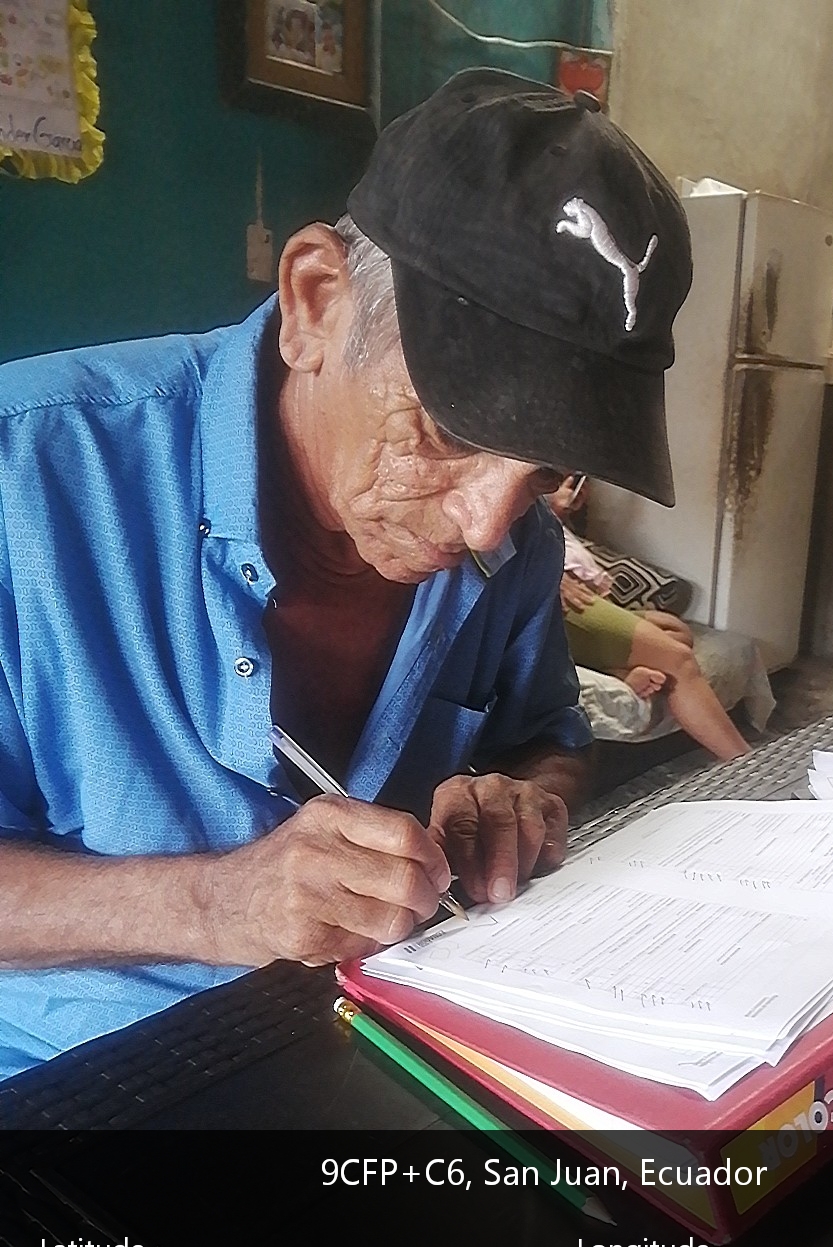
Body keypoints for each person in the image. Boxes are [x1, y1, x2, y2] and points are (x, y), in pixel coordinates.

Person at [0, 70, 694, 1079]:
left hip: (381, 1039)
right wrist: (217, 904)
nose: (485, 522)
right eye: (448, 430)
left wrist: (520, 799)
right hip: (84, 1080)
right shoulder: (27, 480)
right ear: (314, 302)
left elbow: (549, 736)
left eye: (546, 471)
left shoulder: (518, 541)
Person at [548, 477, 751, 761]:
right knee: (677, 659)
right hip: (550, 595)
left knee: (676, 631)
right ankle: (747, 763)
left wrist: (555, 507)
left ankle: (616, 672)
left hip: (570, 587)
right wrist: (547, 567)